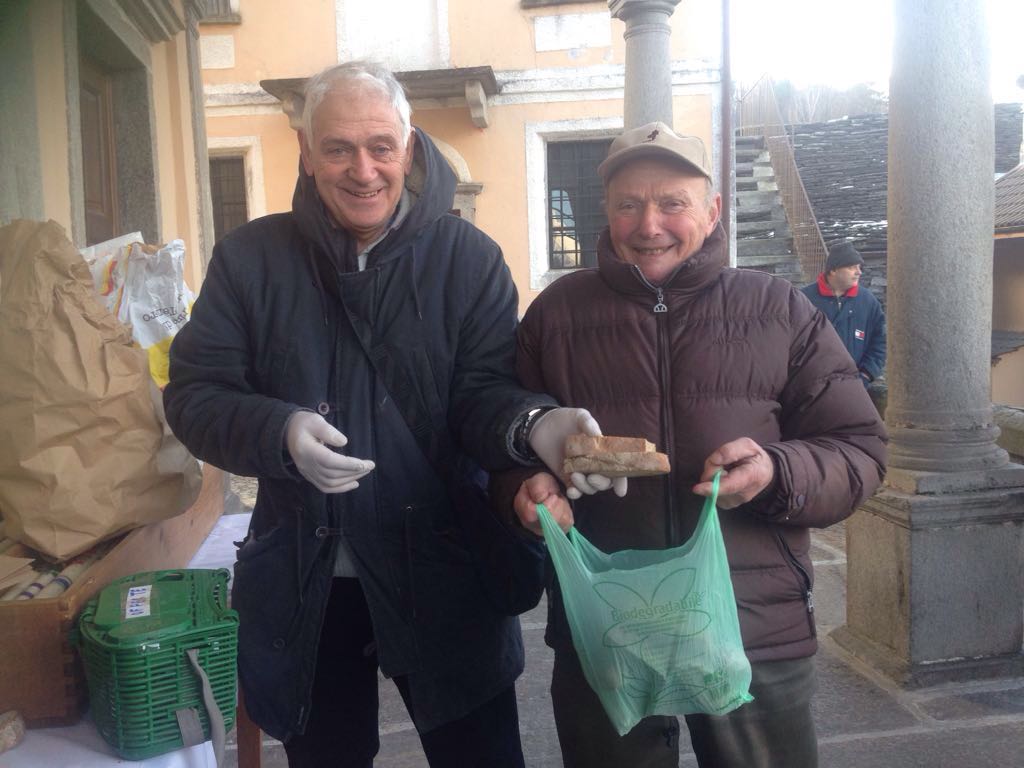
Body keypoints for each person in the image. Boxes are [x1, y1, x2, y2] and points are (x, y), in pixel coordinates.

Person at [163, 61, 619, 768]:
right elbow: (195, 394)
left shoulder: (468, 258)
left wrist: (537, 426)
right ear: (306, 154)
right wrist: (279, 431)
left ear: (408, 148)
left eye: (381, 146)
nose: (363, 170)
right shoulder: (250, 259)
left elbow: (484, 392)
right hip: (308, 582)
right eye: (338, 149)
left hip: (444, 567)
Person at [502, 122, 888, 768]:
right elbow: (506, 445)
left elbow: (860, 450)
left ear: (712, 212)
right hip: (608, 624)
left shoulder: (780, 310)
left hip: (753, 625)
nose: (649, 225)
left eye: (672, 203)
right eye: (628, 204)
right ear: (607, 213)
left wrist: (776, 472)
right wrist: (526, 489)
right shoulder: (555, 315)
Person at [801, 241, 887, 386]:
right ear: (833, 270)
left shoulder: (868, 301)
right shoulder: (803, 299)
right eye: (852, 267)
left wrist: (866, 374)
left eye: (859, 267)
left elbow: (880, 341)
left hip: (855, 385)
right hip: (811, 386)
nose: (859, 272)